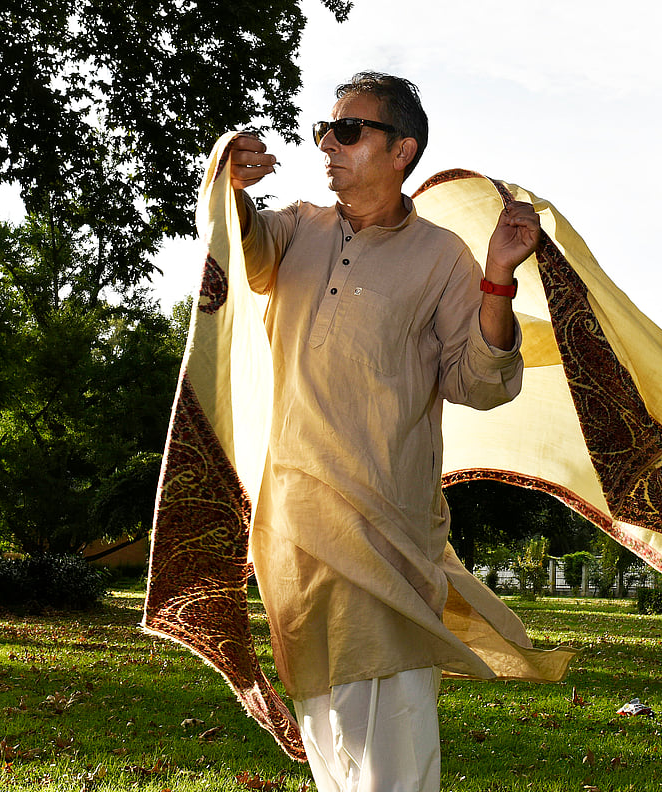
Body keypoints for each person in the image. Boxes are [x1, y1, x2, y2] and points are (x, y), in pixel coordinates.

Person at [224, 72, 558, 792]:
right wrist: (234, 184)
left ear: (402, 149)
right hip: (295, 529)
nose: (327, 145)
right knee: (330, 739)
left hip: (386, 531)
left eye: (349, 131)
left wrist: (499, 275)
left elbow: (481, 380)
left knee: (393, 758)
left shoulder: (441, 258)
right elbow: (239, 245)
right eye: (325, 129)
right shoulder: (297, 229)